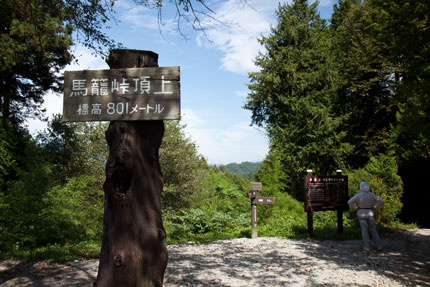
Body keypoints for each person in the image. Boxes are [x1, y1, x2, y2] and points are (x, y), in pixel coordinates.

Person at [348, 181, 384, 251]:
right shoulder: (372, 195)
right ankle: (379, 245)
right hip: (370, 212)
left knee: (364, 230)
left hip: (361, 213)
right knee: (373, 229)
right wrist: (375, 207)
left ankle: (366, 246)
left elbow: (349, 202)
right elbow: (381, 201)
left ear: (360, 188)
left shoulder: (358, 195)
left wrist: (355, 207)